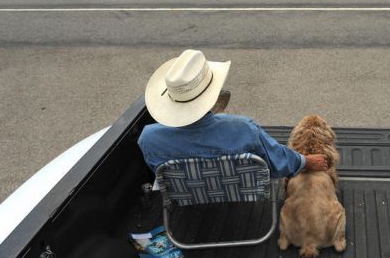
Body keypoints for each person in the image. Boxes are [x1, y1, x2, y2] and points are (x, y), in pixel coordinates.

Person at [138, 49, 329, 178]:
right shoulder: (243, 129)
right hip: (240, 194)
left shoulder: (148, 138)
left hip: (186, 199)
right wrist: (306, 161)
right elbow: (277, 162)